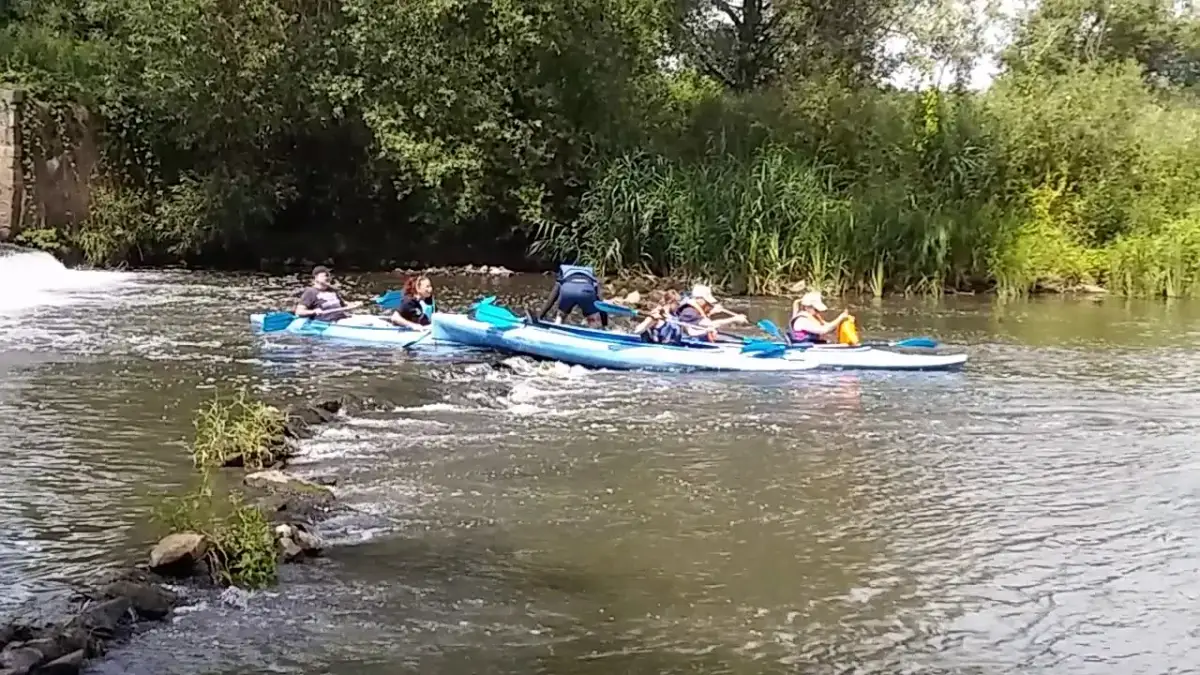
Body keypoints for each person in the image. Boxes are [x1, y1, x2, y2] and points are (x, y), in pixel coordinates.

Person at [537, 264, 608, 328]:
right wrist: (604, 323)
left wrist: (539, 317)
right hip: (587, 291)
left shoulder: (563, 275)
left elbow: (551, 299)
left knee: (561, 314)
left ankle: (557, 326)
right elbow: (600, 300)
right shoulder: (591, 276)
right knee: (594, 319)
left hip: (568, 290)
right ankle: (597, 331)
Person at [673, 284, 746, 341]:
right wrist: (734, 319)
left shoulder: (695, 310)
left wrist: (710, 313)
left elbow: (702, 320)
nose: (709, 305)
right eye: (707, 302)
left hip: (699, 340)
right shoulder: (688, 312)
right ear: (699, 299)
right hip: (691, 342)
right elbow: (709, 324)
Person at [296, 266, 361, 322]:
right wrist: (314, 311)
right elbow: (299, 312)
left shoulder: (332, 290)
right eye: (325, 275)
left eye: (329, 275)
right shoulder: (310, 292)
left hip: (342, 319)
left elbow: (343, 305)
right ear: (316, 277)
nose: (329, 278)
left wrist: (354, 304)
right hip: (328, 321)